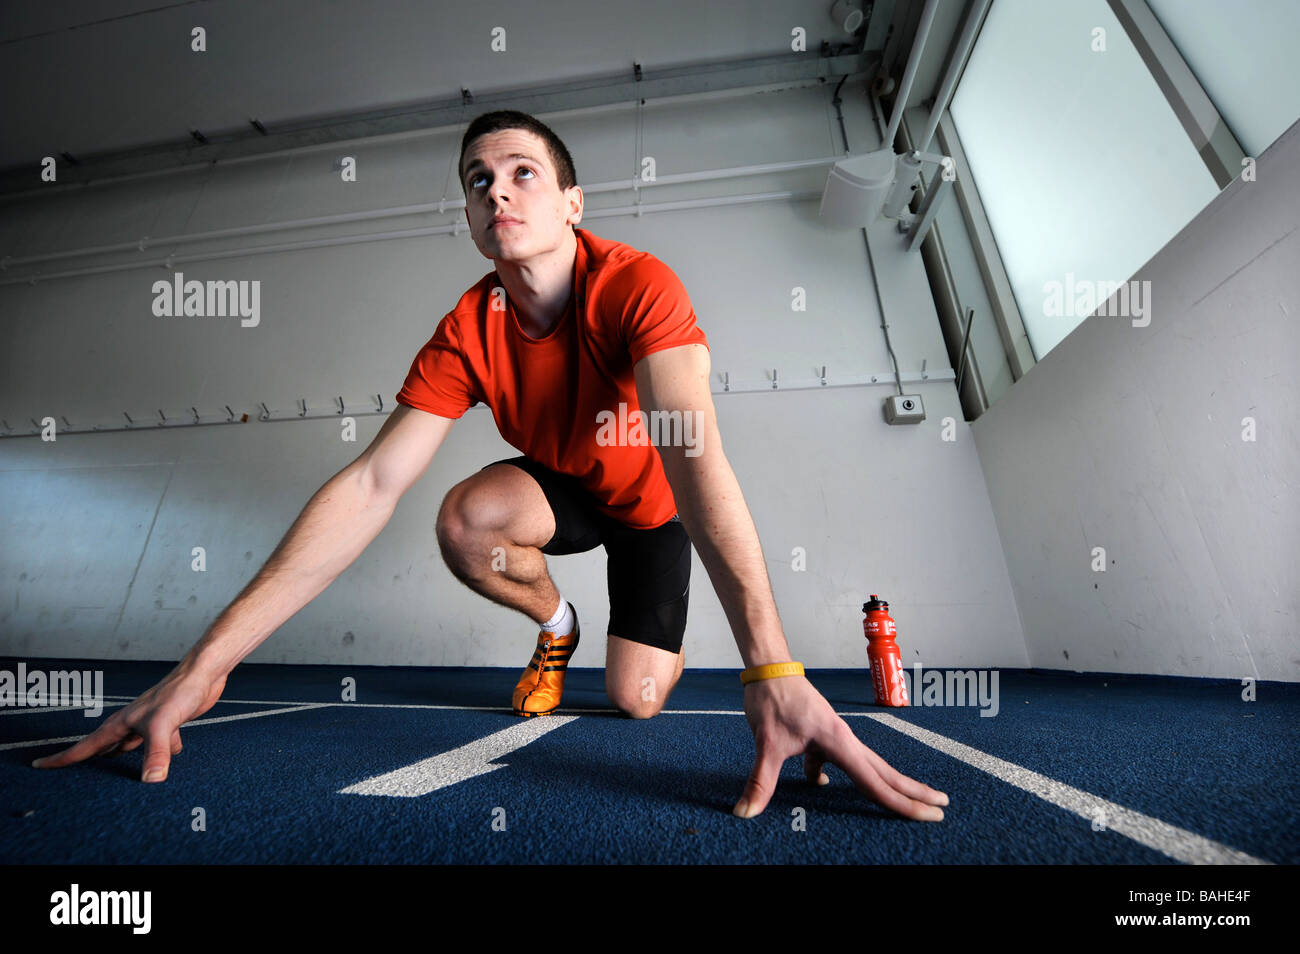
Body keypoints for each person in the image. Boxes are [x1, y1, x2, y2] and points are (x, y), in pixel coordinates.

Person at [33, 110, 948, 822]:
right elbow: (368, 486)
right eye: (479, 182)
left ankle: (622, 641)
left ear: (571, 202)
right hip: (567, 489)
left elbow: (694, 455)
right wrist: (206, 662)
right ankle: (557, 621)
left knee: (634, 703)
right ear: (472, 219)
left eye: (522, 174)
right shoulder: (466, 330)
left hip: (652, 508)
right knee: (461, 518)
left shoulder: (638, 286)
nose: (498, 192)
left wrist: (769, 669)